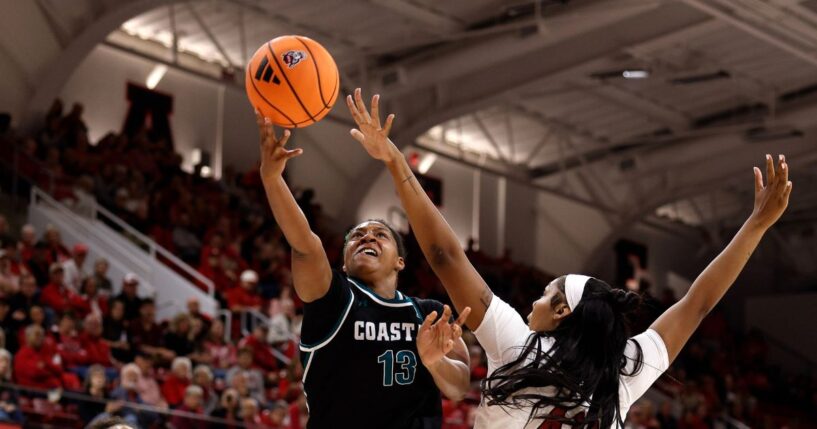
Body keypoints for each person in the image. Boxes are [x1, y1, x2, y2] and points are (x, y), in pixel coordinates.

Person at [345, 88, 793, 428]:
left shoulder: (519, 344)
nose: (533, 302)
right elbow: (698, 303)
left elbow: (444, 256)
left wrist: (395, 162)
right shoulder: (624, 369)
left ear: (562, 311)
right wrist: (756, 226)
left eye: (546, 294)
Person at [255, 111, 471, 428]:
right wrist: (273, 180)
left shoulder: (429, 314)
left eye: (380, 234)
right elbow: (304, 244)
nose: (366, 236)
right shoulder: (333, 300)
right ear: (344, 261)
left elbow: (459, 388)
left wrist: (435, 361)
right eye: (356, 236)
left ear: (400, 260)